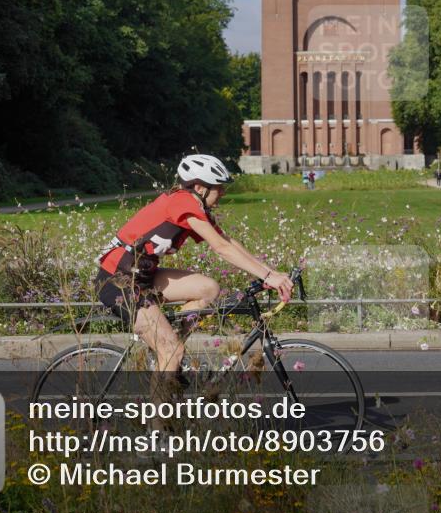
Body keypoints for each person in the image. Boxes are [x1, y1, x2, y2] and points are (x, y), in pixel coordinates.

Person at [95, 154, 294, 388]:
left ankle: (169, 349)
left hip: (143, 276)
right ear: (199, 187)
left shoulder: (194, 205)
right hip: (117, 281)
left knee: (208, 289)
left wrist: (270, 273)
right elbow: (220, 248)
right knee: (171, 351)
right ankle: (162, 393)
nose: (223, 192)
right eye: (218, 187)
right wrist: (268, 276)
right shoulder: (183, 203)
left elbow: (227, 241)